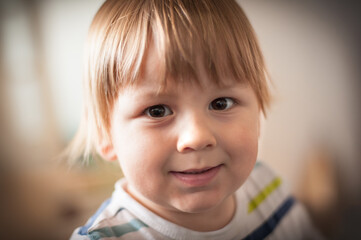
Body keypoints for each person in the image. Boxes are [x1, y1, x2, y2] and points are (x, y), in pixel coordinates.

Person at [69, 0, 323, 239]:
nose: (197, 137)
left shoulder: (268, 187)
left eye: (220, 103)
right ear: (105, 133)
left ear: (258, 110)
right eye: (157, 111)